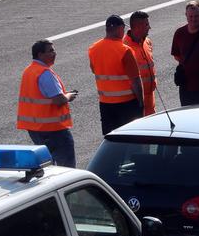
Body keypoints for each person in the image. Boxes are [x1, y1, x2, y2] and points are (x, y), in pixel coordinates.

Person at [16, 40, 77, 168]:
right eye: (50, 51)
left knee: (48, 166)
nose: (54, 53)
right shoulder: (45, 73)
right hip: (53, 130)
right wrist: (69, 96)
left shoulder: (29, 71)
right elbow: (58, 100)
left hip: (35, 129)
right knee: (66, 168)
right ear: (40, 54)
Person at [87, 15, 144, 135]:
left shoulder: (93, 49)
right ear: (120, 29)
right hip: (127, 104)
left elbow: (94, 70)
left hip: (105, 104)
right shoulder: (125, 50)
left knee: (112, 138)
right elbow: (135, 81)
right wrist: (141, 103)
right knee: (130, 139)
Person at [125, 10, 157, 115]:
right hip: (135, 101)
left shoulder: (147, 42)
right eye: (146, 24)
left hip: (150, 99)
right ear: (137, 27)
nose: (149, 27)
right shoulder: (125, 48)